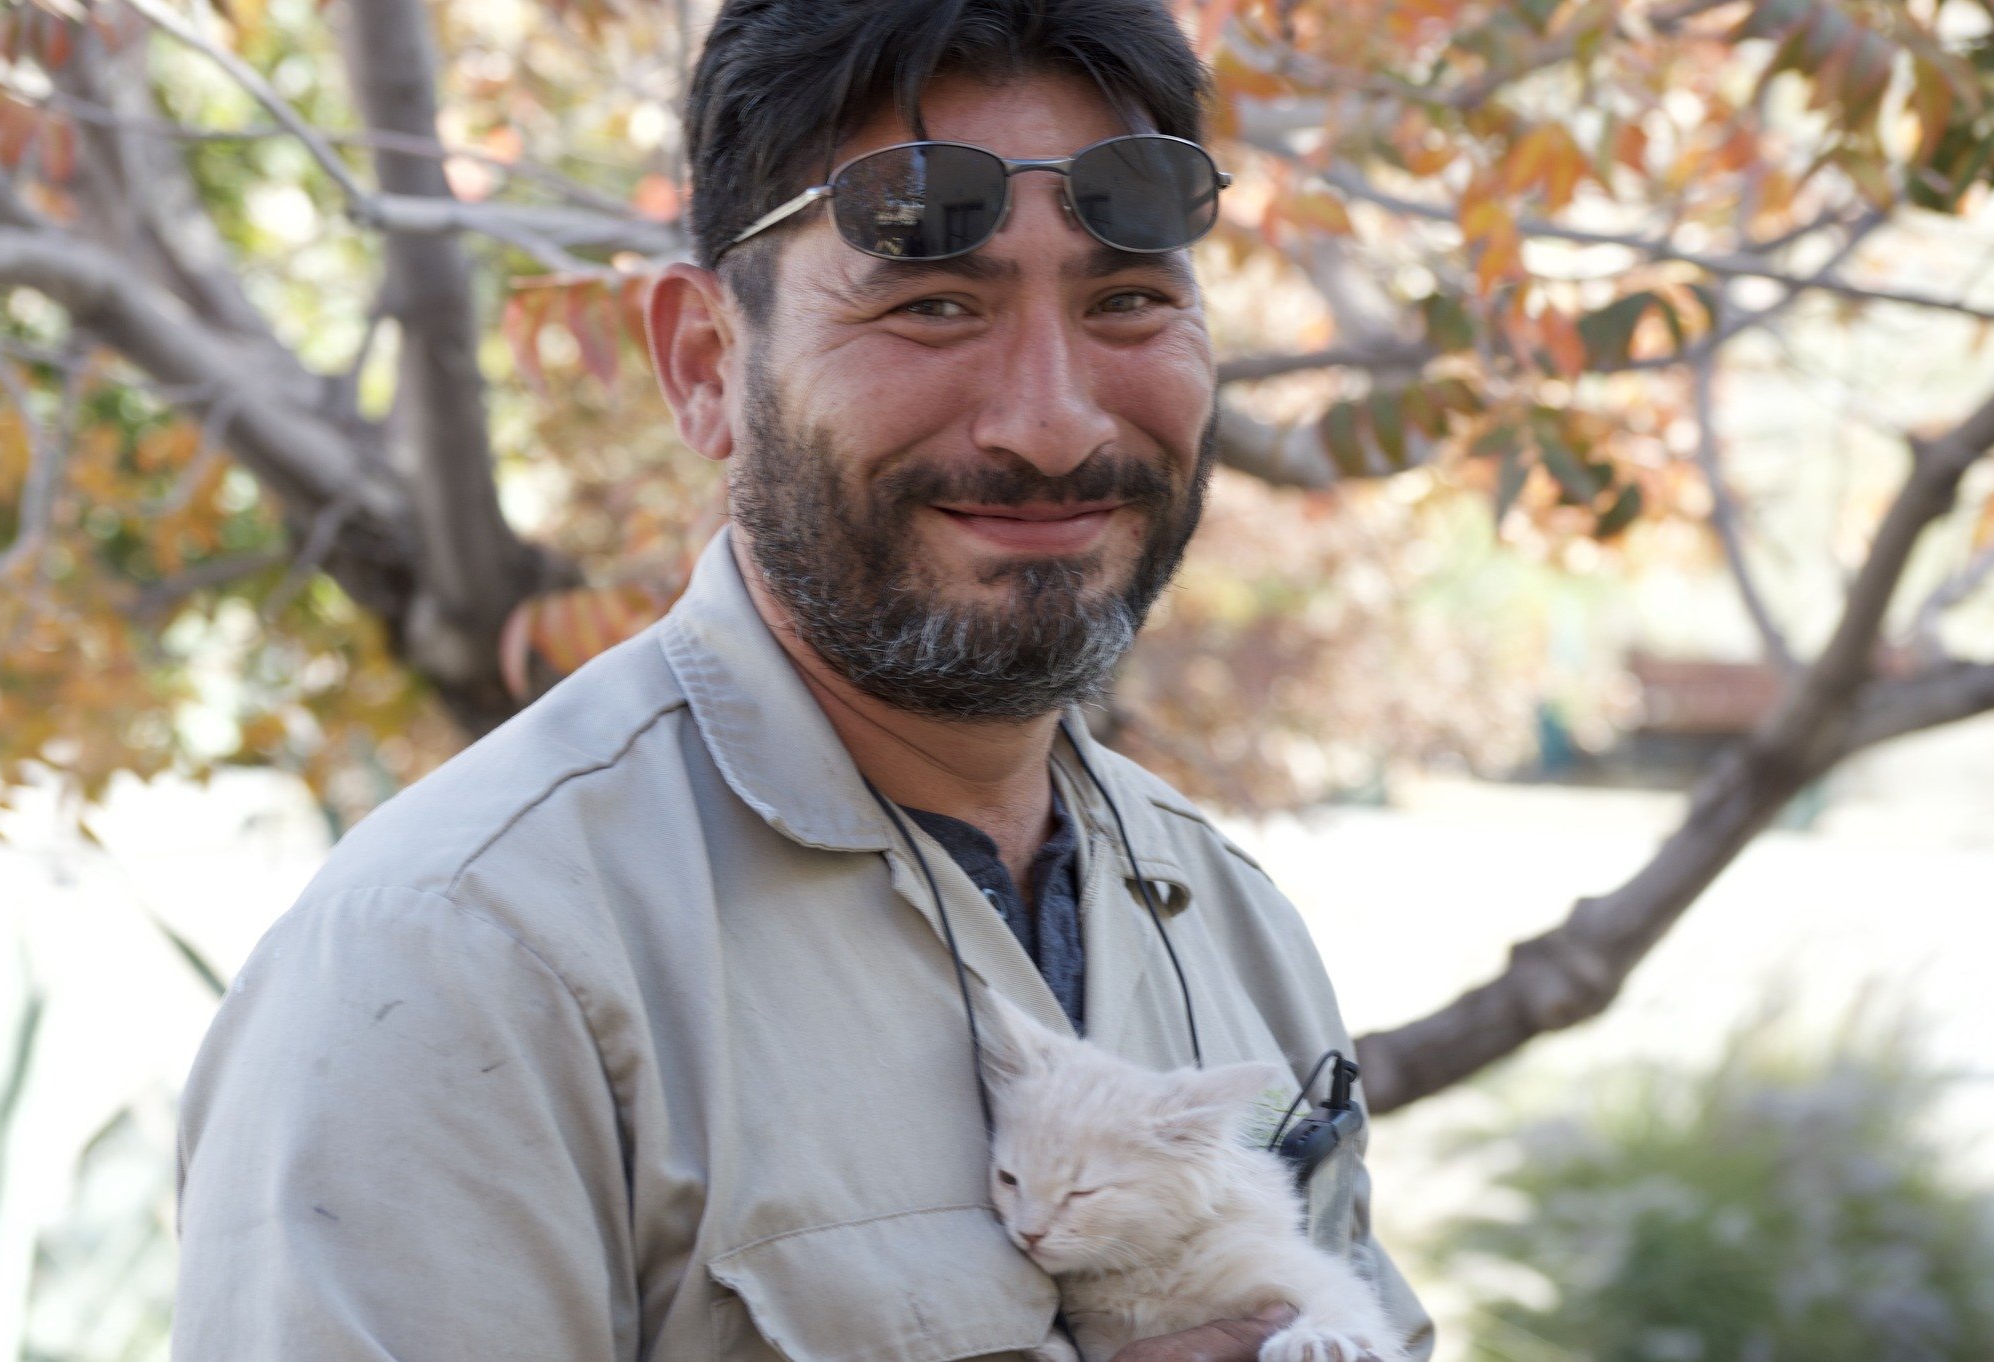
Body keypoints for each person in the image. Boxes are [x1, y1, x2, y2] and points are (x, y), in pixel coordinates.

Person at [170, 2, 1434, 1359]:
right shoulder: (463, 961)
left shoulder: (1224, 917)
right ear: (707, 366)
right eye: (935, 305)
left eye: (1127, 299)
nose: (1054, 420)